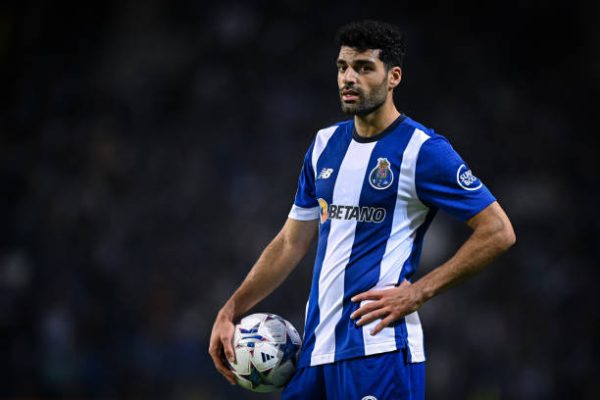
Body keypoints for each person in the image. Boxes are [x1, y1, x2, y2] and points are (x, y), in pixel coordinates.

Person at [209, 20, 515, 399]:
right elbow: (290, 242)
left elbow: (498, 231)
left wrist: (419, 292)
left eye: (364, 67)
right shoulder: (324, 145)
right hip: (316, 353)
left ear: (393, 77)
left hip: (379, 352)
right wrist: (231, 309)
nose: (349, 78)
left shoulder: (422, 150)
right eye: (343, 67)